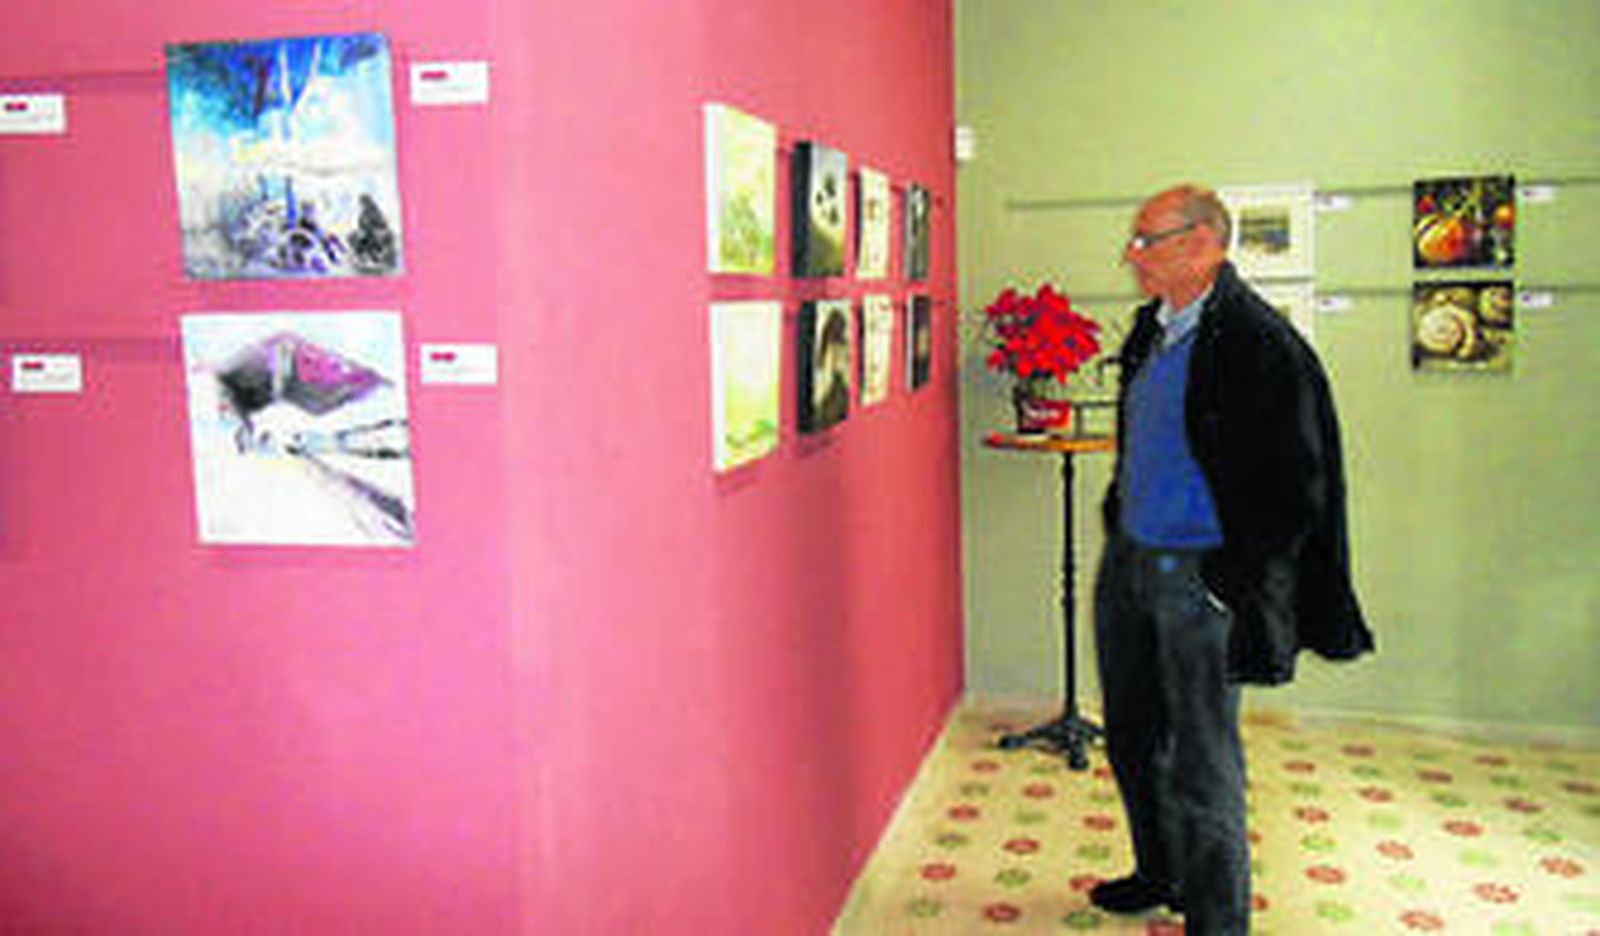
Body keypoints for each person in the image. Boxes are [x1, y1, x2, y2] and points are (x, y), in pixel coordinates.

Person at [1089, 185, 1374, 934]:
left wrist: (1229, 581)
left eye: (1147, 240)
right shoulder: (1153, 329)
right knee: (1132, 736)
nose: (1132, 254)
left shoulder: (1258, 343)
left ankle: (1217, 922)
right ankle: (1162, 873)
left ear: (1203, 243)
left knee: (1203, 762)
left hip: (1199, 580)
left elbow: (1300, 486)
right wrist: (1122, 517)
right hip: (1131, 563)